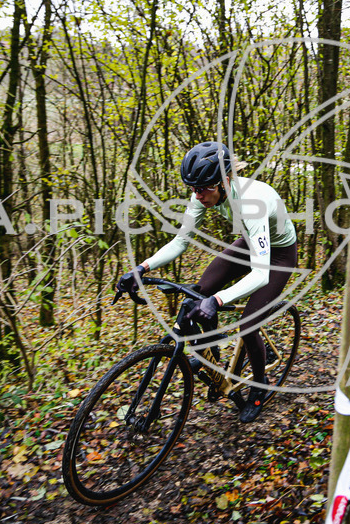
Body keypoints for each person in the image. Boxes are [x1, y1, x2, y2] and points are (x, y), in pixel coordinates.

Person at [118, 141, 298, 423]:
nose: (198, 196)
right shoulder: (202, 193)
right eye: (193, 189)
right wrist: (141, 268)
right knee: (197, 294)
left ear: (225, 180)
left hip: (279, 257)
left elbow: (261, 274)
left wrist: (218, 300)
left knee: (248, 324)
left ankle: (260, 386)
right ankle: (214, 363)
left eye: (204, 189)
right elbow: (180, 242)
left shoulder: (253, 201)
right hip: (250, 244)